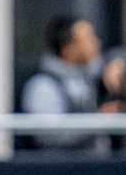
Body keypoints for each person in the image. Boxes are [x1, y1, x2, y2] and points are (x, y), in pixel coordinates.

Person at [21, 16, 111, 155]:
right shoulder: (43, 85)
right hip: (64, 170)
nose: (96, 43)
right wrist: (99, 121)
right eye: (87, 38)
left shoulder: (95, 74)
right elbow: (49, 135)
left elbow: (115, 57)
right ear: (66, 47)